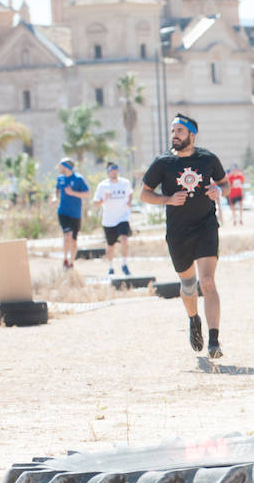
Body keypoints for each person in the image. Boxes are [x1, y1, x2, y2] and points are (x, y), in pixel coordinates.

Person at [140, 113, 230, 359]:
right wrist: (167, 199)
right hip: (178, 232)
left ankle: (214, 341)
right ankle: (193, 320)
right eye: (173, 131)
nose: (175, 136)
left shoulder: (208, 159)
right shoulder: (163, 163)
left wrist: (217, 191)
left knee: (208, 282)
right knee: (189, 286)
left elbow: (225, 184)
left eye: (180, 131)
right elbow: (144, 194)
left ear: (192, 134)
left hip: (206, 226)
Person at [93, 162, 133, 276]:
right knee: (111, 246)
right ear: (108, 172)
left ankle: (124, 265)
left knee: (124, 239)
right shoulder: (103, 186)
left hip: (123, 217)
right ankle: (111, 267)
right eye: (112, 170)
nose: (114, 172)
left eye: (116, 170)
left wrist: (130, 201)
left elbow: (130, 193)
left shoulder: (125, 183)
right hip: (109, 221)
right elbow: (95, 203)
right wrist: (103, 200)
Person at [54, 157, 90, 269]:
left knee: (74, 241)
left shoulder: (78, 179)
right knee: (67, 235)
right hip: (63, 212)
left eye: (61, 165)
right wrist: (55, 197)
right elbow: (57, 190)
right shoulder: (60, 178)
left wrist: (72, 193)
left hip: (75, 214)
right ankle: (65, 259)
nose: (59, 168)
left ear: (66, 167)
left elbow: (87, 194)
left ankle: (71, 263)